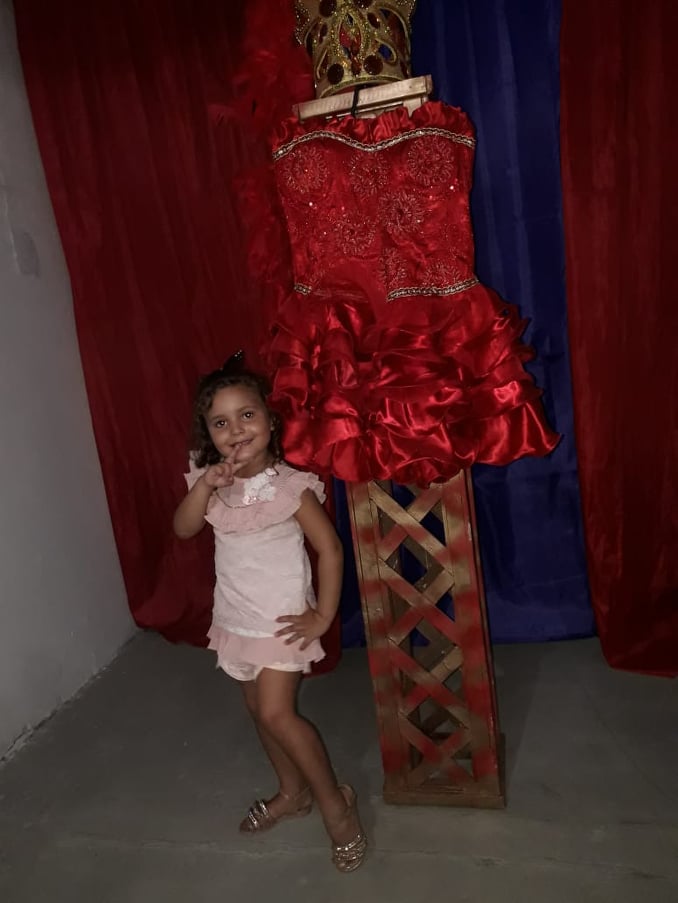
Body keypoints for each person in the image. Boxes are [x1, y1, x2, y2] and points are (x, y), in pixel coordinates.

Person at [173, 354, 366, 873]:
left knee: (280, 713)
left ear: (270, 420)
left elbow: (329, 550)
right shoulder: (211, 482)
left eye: (247, 415)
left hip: (282, 620)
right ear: (209, 434)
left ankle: (337, 807)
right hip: (236, 617)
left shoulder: (289, 487)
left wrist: (323, 616)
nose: (236, 430)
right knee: (259, 711)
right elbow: (184, 528)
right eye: (221, 423)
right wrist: (205, 486)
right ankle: (292, 792)